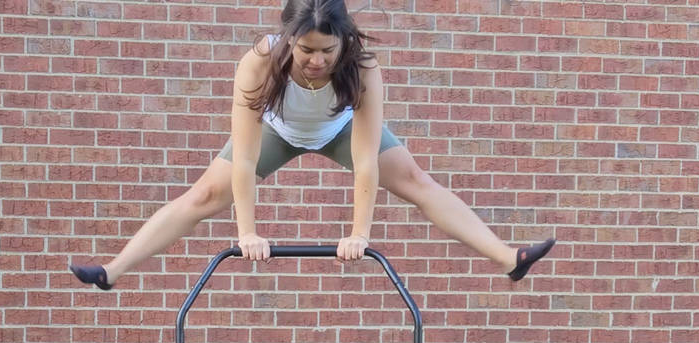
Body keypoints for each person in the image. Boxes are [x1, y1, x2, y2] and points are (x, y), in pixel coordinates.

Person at [71, 0, 554, 290]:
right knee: (202, 197)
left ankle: (507, 259)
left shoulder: (362, 67)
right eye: (307, 51)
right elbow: (244, 158)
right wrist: (247, 233)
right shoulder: (258, 63)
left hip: (339, 129)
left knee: (415, 180)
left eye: (327, 51)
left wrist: (359, 234)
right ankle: (112, 271)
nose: (318, 61)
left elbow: (366, 162)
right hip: (276, 129)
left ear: (343, 41)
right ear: (289, 39)